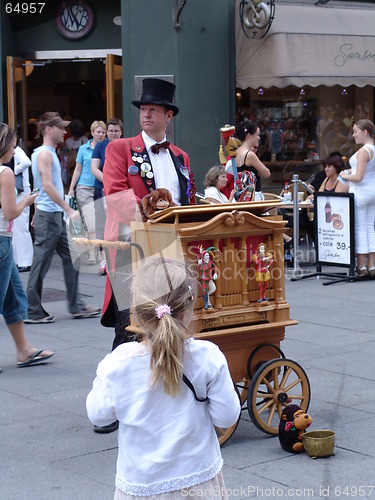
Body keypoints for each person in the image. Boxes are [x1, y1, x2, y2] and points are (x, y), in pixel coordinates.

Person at [86, 257, 240, 499]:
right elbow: (226, 416)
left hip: (142, 484)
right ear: (188, 309)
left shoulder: (118, 363)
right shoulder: (207, 356)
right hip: (196, 479)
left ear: (137, 310)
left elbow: (99, 415)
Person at [102, 77, 196, 348]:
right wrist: (151, 213)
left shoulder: (181, 156)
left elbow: (187, 202)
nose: (145, 114)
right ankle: (121, 386)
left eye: (153, 109)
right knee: (131, 330)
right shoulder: (120, 149)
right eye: (143, 109)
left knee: (170, 323)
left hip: (172, 252)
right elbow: (116, 196)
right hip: (131, 249)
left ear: (168, 115)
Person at [25, 112, 101, 324]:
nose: (64, 131)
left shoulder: (45, 152)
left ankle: (75, 305)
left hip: (50, 215)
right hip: (50, 217)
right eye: (60, 128)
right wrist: (68, 209)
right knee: (41, 263)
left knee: (71, 256)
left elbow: (41, 186)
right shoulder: (44, 155)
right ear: (49, 129)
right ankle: (32, 310)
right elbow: (47, 185)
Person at [0, 123, 54, 369]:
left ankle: (24, 350)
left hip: (5, 243)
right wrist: (27, 201)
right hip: (2, 240)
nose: (15, 148)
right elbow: (10, 213)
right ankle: (24, 350)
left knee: (14, 297)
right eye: (13, 144)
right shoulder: (5, 173)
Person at [339, 119, 375, 277]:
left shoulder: (363, 151)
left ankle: (361, 267)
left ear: (365, 132)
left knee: (360, 229)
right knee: (370, 228)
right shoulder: (372, 149)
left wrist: (344, 175)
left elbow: (358, 177)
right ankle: (372, 266)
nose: (353, 135)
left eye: (355, 131)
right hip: (372, 191)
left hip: (360, 192)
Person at [68, 120, 107, 264]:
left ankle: (102, 253)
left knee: (100, 223)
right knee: (90, 222)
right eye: (98, 132)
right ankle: (92, 254)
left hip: (101, 188)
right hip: (84, 187)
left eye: (103, 132)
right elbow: (78, 169)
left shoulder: (107, 148)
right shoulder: (84, 149)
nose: (101, 134)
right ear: (92, 133)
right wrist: (71, 188)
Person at [91, 117, 123, 275]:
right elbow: (94, 168)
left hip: (121, 193)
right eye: (110, 131)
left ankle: (118, 258)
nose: (113, 134)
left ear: (121, 132)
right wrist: (109, 182)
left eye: (116, 131)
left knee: (120, 225)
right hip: (102, 190)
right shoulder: (100, 146)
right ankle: (104, 260)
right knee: (103, 225)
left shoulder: (125, 146)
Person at [223, 120, 270, 201]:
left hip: (240, 196)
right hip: (253, 197)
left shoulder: (235, 153)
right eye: (257, 135)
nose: (258, 138)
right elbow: (266, 174)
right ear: (249, 136)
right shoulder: (250, 155)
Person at [6, 144, 34, 272]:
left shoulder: (16, 150)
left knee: (21, 227)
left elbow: (26, 162)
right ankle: (20, 260)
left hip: (22, 192)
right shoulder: (15, 150)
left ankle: (25, 261)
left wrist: (12, 171)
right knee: (18, 227)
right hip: (20, 191)